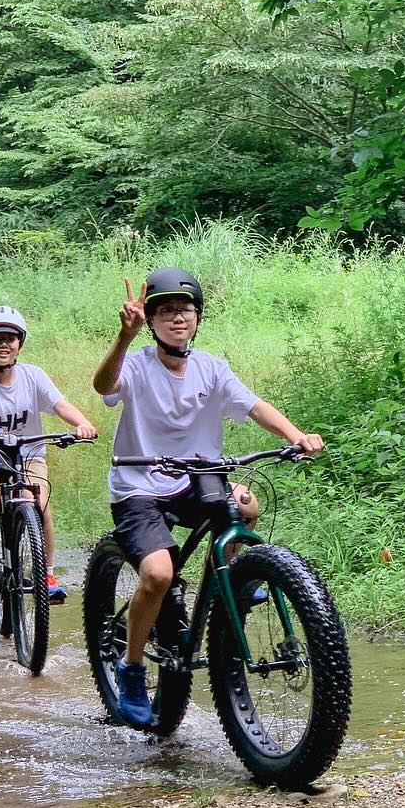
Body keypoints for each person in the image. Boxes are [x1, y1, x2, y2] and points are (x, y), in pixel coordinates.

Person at [91, 266, 324, 726]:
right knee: (158, 574)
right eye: (167, 311)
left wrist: (296, 434)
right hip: (139, 486)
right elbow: (103, 386)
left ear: (198, 318)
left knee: (246, 504)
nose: (178, 318)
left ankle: (231, 589)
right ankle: (133, 668)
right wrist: (123, 336)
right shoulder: (136, 363)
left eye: (187, 310)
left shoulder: (211, 368)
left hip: (195, 480)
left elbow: (253, 405)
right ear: (152, 321)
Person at [0, 306, 98, 603]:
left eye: (10, 338)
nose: (3, 345)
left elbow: (60, 405)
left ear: (19, 343)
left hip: (28, 457)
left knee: (39, 503)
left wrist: (82, 424)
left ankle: (47, 573)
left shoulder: (33, 376)